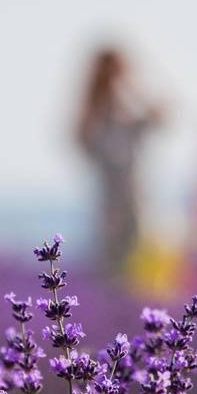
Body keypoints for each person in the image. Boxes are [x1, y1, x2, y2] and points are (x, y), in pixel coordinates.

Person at [75, 46, 163, 272]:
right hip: (112, 189)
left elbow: (160, 118)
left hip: (134, 186)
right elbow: (82, 139)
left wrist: (135, 90)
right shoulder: (96, 107)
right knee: (114, 248)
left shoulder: (127, 103)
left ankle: (128, 297)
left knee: (137, 244)